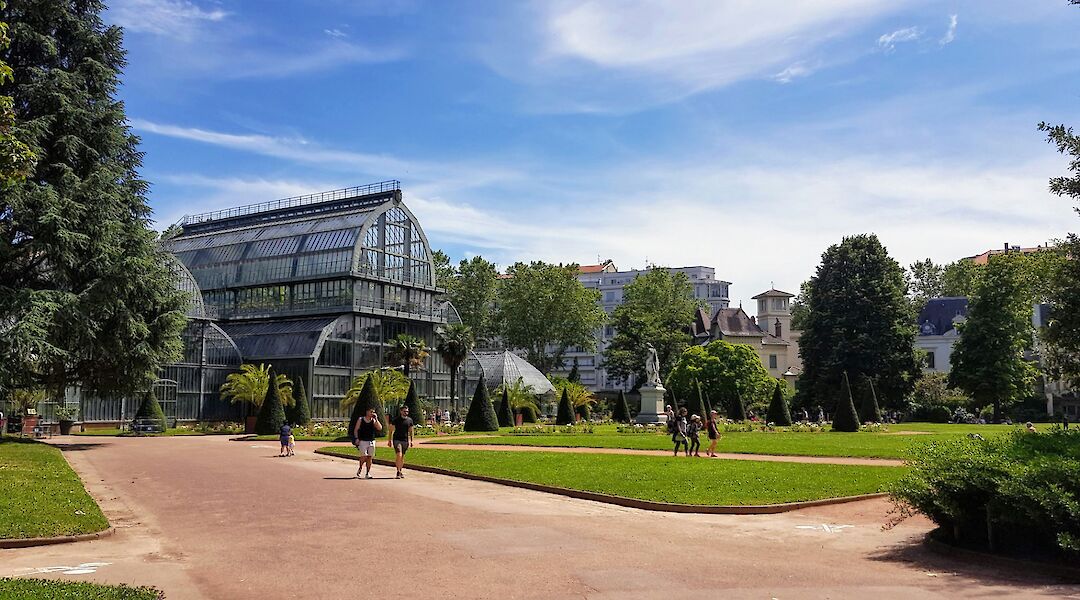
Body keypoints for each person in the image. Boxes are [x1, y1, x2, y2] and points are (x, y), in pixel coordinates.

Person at [352, 407, 383, 478]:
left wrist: (376, 419)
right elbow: (356, 429)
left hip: (371, 440)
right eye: (371, 411)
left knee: (369, 457)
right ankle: (360, 467)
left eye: (373, 412)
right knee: (364, 456)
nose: (372, 413)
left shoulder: (373, 420)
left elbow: (380, 428)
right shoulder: (361, 419)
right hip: (363, 441)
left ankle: (367, 472)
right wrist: (356, 438)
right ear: (367, 412)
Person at [388, 405, 415, 479]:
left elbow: (411, 431)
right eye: (404, 411)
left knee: (402, 456)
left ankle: (400, 470)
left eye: (407, 411)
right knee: (399, 455)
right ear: (401, 411)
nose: (406, 413)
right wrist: (389, 440)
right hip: (397, 439)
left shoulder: (410, 420)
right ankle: (398, 471)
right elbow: (391, 430)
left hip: (405, 440)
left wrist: (412, 440)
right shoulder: (396, 420)